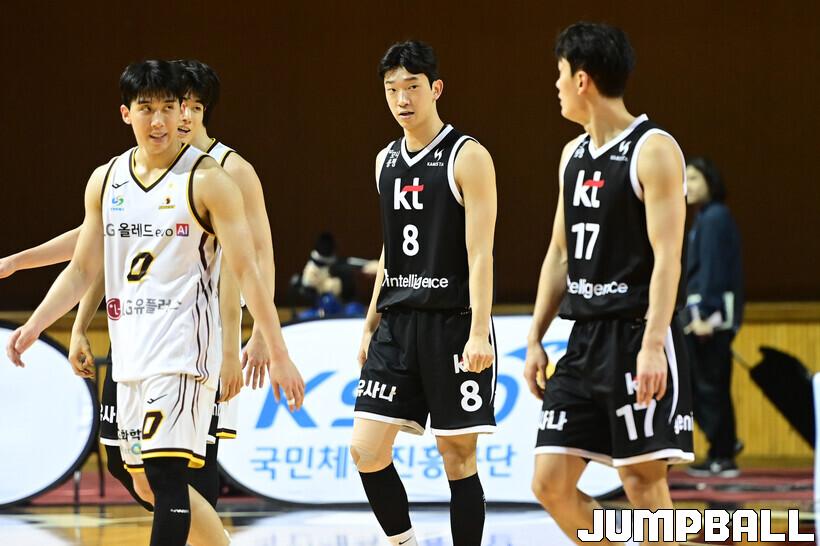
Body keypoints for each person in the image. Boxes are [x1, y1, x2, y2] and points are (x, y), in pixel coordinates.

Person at [5, 60, 304, 546]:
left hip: (184, 350)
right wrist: (37, 325)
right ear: (127, 114)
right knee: (138, 477)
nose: (161, 120)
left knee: (168, 475)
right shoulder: (107, 179)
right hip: (130, 352)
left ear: (186, 109)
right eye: (148, 109)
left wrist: (273, 348)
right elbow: (84, 267)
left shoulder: (213, 178)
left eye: (170, 108)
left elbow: (249, 268)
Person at [524, 22, 693, 546]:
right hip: (583, 340)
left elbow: (668, 259)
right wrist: (534, 337)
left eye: (559, 74)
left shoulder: (653, 149)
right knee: (550, 483)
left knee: (642, 482)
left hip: (636, 334)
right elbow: (559, 253)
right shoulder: (571, 155)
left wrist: (652, 347)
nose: (555, 86)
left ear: (582, 80)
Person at [350, 41, 497, 546]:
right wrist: (370, 323)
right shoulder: (384, 160)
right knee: (365, 450)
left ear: (435, 88)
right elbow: (390, 249)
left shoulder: (467, 155)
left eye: (412, 87)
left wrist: (479, 331)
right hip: (397, 323)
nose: (402, 99)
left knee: (457, 458)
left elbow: (481, 252)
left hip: (453, 324)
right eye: (392, 89)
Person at [682, 157, 744, 478]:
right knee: (703, 385)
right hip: (703, 316)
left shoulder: (715, 218)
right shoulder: (704, 218)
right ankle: (724, 445)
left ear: (710, 181)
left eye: (694, 178)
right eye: (686, 179)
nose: (687, 185)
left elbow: (714, 270)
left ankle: (724, 452)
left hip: (711, 320)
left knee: (709, 387)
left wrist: (706, 314)